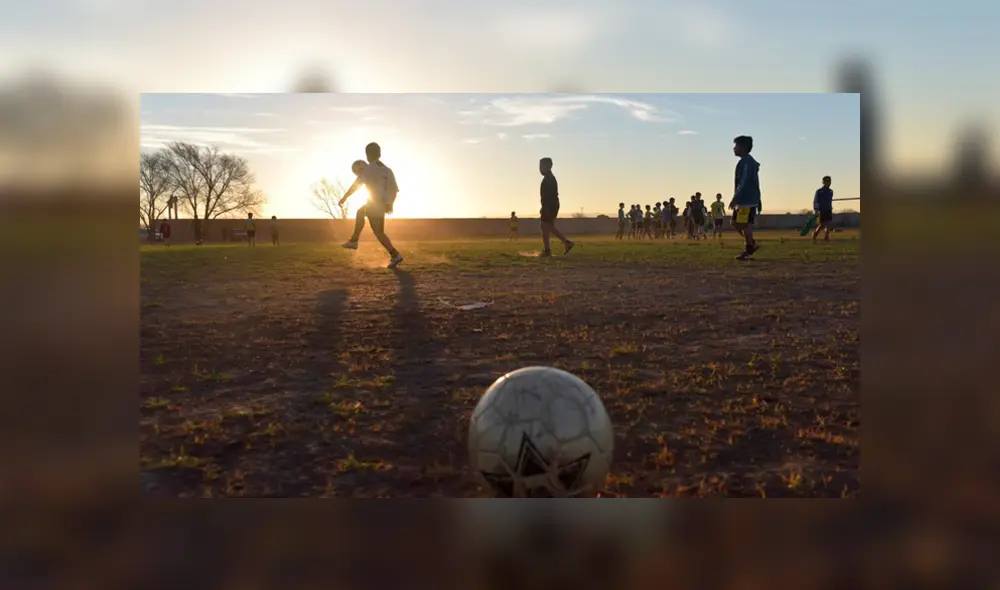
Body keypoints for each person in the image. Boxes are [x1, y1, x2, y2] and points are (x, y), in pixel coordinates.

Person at [338, 142, 404, 269]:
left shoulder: (367, 170)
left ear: (367, 155)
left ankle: (354, 240)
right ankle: (395, 255)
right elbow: (394, 190)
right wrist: (390, 204)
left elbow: (355, 186)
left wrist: (344, 197)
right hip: (382, 204)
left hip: (374, 203)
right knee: (379, 232)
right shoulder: (387, 170)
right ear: (379, 154)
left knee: (361, 213)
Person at [728, 135, 763, 260]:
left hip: (747, 200)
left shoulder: (747, 163)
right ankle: (751, 243)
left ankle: (749, 249)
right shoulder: (745, 162)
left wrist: (735, 197)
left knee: (745, 224)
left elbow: (744, 181)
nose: (734, 149)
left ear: (742, 148)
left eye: (736, 146)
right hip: (744, 200)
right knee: (735, 223)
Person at [538, 157, 574, 256]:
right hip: (552, 204)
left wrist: (546, 208)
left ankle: (547, 250)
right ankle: (567, 243)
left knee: (544, 226)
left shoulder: (549, 179)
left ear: (548, 166)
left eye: (541, 166)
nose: (540, 169)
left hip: (550, 205)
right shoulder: (549, 178)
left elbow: (549, 195)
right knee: (549, 227)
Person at [812, 175, 835, 243]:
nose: (829, 183)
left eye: (830, 181)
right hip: (821, 210)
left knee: (829, 224)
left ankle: (826, 237)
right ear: (823, 182)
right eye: (827, 182)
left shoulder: (831, 191)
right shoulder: (819, 191)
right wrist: (816, 210)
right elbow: (816, 201)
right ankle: (815, 234)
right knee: (822, 225)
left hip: (828, 209)